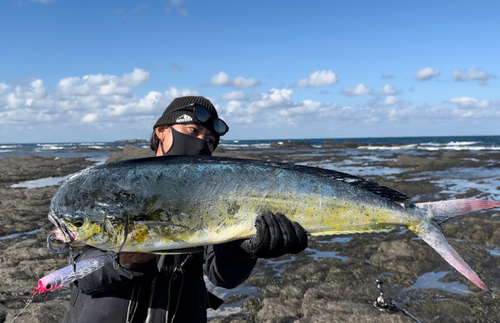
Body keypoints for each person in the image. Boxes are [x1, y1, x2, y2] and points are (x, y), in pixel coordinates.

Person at [61, 96, 308, 323]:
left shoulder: (214, 197)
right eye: (193, 131)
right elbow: (81, 275)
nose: (202, 142)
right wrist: (123, 262)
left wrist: (243, 250)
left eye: (210, 140)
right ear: (161, 131)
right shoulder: (113, 187)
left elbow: (223, 277)